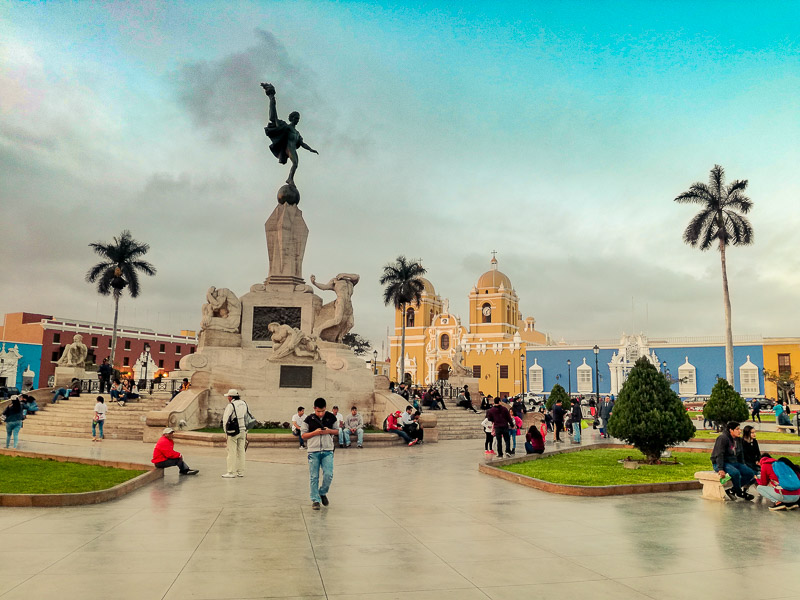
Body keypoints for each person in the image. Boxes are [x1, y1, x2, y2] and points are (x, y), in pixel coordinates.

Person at [262, 82, 319, 186]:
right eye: (296, 118)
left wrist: (311, 149)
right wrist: (272, 98)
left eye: (298, 119)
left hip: (293, 148)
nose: (297, 120)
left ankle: (289, 178)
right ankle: (290, 179)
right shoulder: (286, 127)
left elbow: (302, 143)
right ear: (292, 118)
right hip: (288, 148)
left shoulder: (297, 133)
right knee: (295, 163)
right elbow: (274, 117)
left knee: (296, 164)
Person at [301, 397, 339, 510]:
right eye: (318, 411)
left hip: (327, 450)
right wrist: (314, 433)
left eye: (322, 411)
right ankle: (315, 500)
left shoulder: (331, 417)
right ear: (314, 408)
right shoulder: (308, 419)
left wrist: (328, 431)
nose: (321, 414)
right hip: (313, 451)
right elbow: (303, 435)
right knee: (314, 477)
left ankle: (322, 492)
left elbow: (337, 431)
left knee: (328, 474)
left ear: (325, 408)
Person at [711, 421, 756, 501]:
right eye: (737, 429)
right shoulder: (722, 438)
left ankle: (732, 490)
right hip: (721, 463)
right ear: (731, 430)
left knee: (750, 473)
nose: (740, 431)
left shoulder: (738, 439)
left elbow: (741, 453)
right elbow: (719, 454)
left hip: (734, 463)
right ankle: (739, 492)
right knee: (735, 473)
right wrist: (720, 469)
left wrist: (743, 465)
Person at [221, 389, 248, 478]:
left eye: (228, 396)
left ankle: (231, 472)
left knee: (231, 452)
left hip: (233, 431)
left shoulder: (231, 405)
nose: (227, 398)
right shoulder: (244, 403)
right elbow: (247, 417)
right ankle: (241, 472)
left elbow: (225, 419)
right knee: (241, 452)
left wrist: (226, 432)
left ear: (231, 397)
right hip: (243, 430)